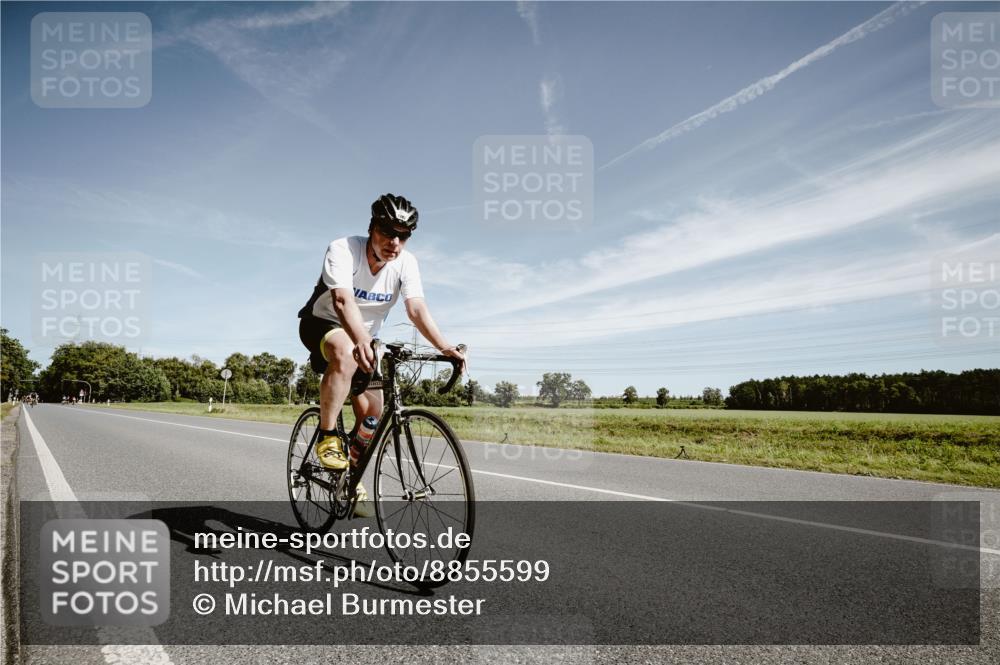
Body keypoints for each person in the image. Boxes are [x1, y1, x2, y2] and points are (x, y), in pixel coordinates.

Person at [297, 193, 465, 516]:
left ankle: (348, 478)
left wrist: (444, 347)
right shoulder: (343, 249)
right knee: (346, 350)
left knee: (373, 414)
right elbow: (343, 302)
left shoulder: (406, 263)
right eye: (388, 231)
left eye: (403, 236)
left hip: (363, 338)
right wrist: (361, 338)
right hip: (322, 324)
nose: (395, 242)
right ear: (372, 227)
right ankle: (328, 436)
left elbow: (415, 308)